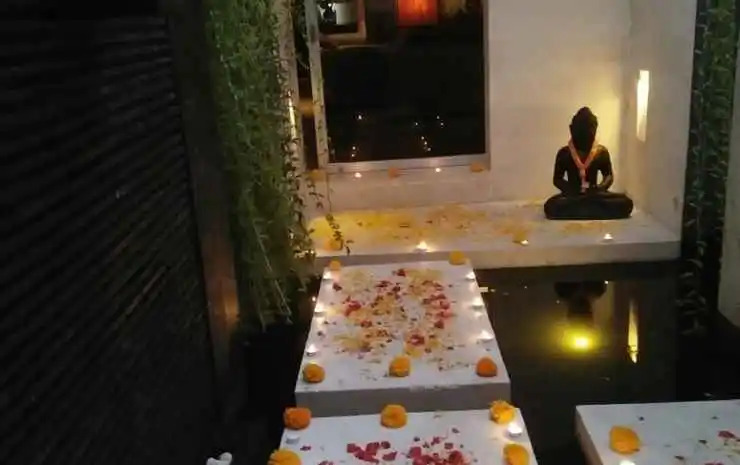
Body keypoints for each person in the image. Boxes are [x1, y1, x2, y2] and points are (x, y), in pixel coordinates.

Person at [544, 107, 634, 220]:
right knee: (551, 206)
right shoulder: (564, 153)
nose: (585, 133)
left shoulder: (601, 152)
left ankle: (581, 211)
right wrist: (571, 189)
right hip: (573, 196)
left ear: (595, 129)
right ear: (571, 129)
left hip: (595, 194)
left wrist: (600, 188)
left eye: (589, 129)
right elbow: (557, 179)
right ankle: (594, 211)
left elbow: (608, 176)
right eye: (581, 129)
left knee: (625, 202)